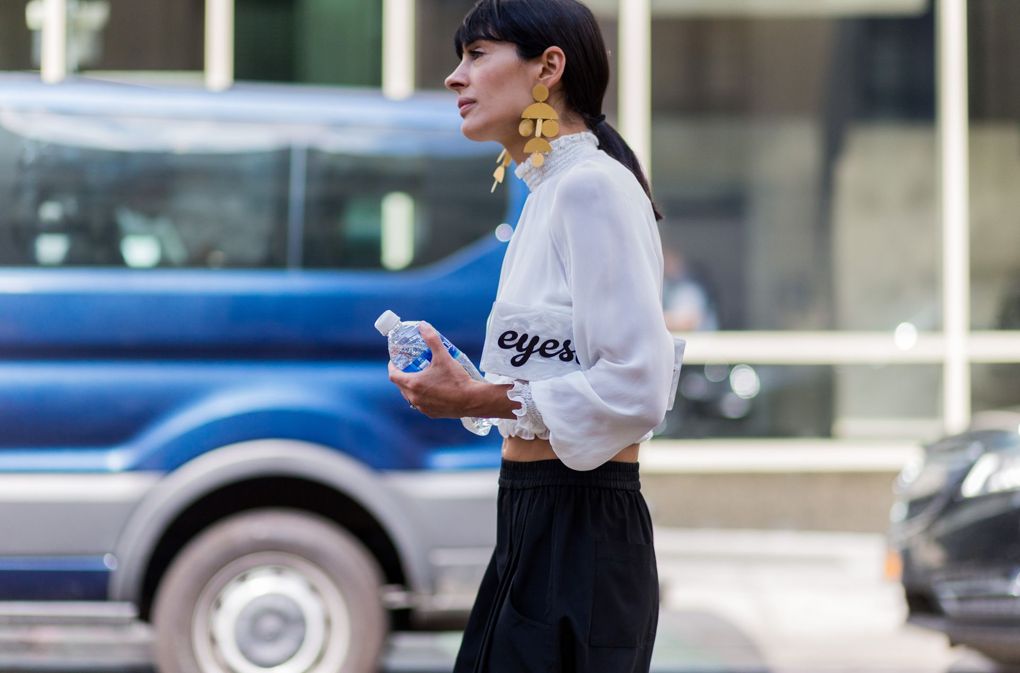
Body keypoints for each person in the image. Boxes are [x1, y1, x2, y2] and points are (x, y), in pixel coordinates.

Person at [387, 1, 676, 671]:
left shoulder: (591, 189)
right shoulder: (549, 192)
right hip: (533, 521)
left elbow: (640, 386)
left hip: (582, 528)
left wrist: (479, 399)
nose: (455, 78)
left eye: (477, 54)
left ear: (548, 67)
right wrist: (473, 389)